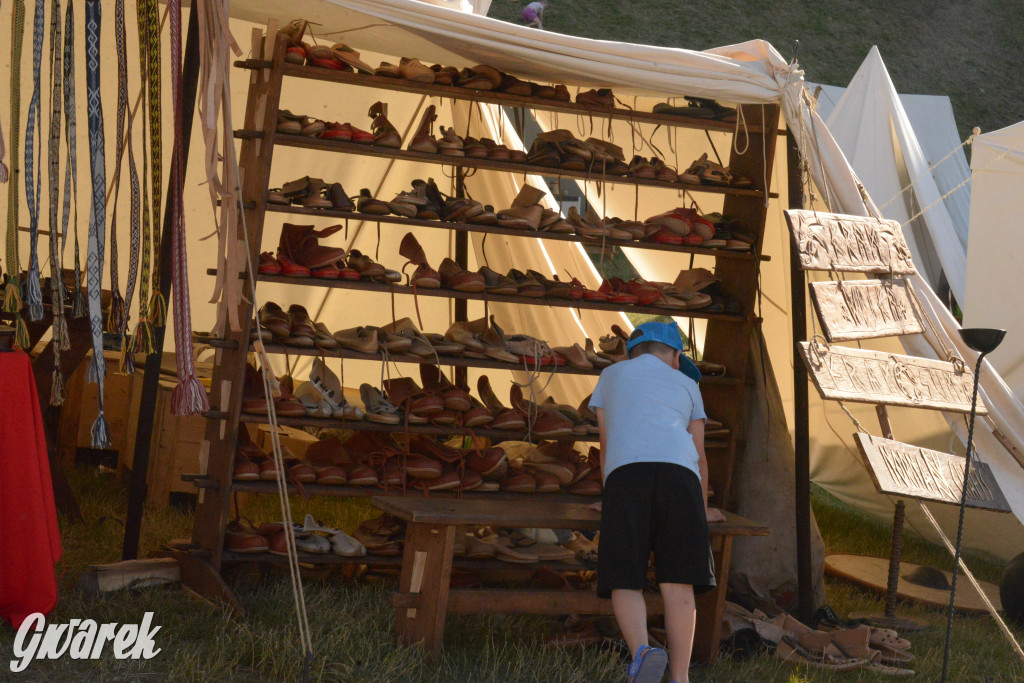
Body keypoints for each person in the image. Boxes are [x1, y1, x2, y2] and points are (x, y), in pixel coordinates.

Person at [588, 321, 727, 683]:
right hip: (680, 478)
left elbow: (608, 446)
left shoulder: (610, 375)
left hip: (626, 476)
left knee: (624, 579)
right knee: (679, 584)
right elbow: (699, 455)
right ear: (676, 357)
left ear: (630, 353)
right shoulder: (688, 383)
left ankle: (642, 652)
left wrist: (612, 497)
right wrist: (700, 508)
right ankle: (680, 678)